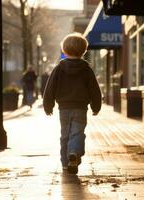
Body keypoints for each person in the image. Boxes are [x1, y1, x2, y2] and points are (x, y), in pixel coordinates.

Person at [43, 32, 102, 174]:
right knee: (77, 132)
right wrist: (96, 106)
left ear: (65, 50)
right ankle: (74, 153)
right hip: (81, 108)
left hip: (63, 108)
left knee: (65, 134)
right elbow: (94, 89)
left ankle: (65, 163)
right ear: (83, 51)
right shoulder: (86, 69)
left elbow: (49, 88)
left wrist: (48, 105)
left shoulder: (58, 68)